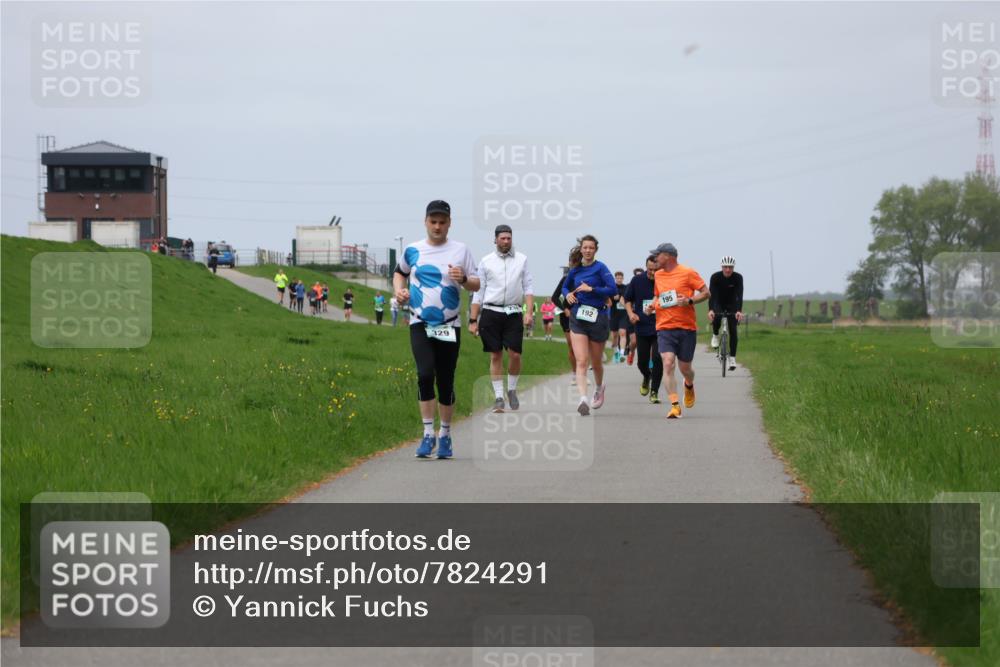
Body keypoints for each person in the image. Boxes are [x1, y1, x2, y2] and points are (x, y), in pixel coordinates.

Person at [393, 200, 480, 459]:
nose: (438, 226)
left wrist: (464, 279)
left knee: (445, 380)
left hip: (449, 325)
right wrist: (399, 291)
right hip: (420, 322)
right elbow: (399, 273)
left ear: (449, 223)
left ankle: (445, 435)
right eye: (433, 222)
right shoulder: (413, 250)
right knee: (424, 374)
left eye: (442, 222)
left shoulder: (461, 250)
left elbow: (477, 284)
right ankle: (428, 433)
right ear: (425, 222)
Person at [469, 224, 534, 413]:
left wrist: (528, 312)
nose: (506, 241)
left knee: (515, 354)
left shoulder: (522, 259)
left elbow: (528, 287)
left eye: (509, 238)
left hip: (513, 313)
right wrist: (473, 320)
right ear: (495, 240)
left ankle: (511, 389)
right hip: (491, 312)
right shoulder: (486, 261)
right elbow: (478, 292)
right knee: (495, 354)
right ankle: (498, 397)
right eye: (502, 238)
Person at [643, 243, 710, 419]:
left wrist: (689, 301)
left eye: (657, 255)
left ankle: (689, 384)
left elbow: (706, 293)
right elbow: (658, 295)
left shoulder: (688, 272)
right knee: (667, 363)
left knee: (685, 368)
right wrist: (652, 306)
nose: (655, 258)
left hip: (686, 328)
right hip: (664, 327)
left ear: (668, 256)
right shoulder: (658, 275)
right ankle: (674, 405)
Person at [562, 235, 616, 416]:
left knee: (596, 361)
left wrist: (592, 289)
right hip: (578, 317)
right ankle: (583, 399)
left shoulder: (601, 268)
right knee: (582, 360)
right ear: (581, 249)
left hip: (598, 317)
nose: (587, 250)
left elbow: (612, 289)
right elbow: (565, 287)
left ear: (595, 250)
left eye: (591, 248)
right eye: (585, 247)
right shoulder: (575, 270)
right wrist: (568, 294)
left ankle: (599, 388)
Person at [624, 255, 664, 403]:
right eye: (649, 270)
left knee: (658, 359)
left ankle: (654, 392)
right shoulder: (637, 280)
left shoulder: (665, 280)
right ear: (646, 267)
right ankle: (647, 376)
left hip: (661, 326)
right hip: (642, 326)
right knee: (642, 362)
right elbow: (627, 300)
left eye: (655, 270)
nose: (652, 273)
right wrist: (631, 314)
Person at [552, 247, 584, 385]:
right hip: (567, 316)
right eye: (572, 262)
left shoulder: (586, 278)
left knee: (582, 346)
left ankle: (582, 374)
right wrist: (564, 308)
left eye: (576, 262)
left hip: (582, 314)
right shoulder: (565, 279)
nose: (573, 264)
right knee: (572, 346)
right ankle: (574, 374)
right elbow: (554, 297)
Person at [709, 256, 744, 371]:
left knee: (733, 330)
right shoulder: (715, 277)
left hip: (732, 304)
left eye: (730, 267)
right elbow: (711, 295)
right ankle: (715, 335)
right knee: (716, 317)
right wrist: (711, 310)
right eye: (725, 267)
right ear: (722, 267)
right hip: (719, 302)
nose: (728, 270)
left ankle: (732, 358)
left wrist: (739, 311)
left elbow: (739, 295)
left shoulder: (738, 277)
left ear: (733, 267)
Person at [610, 271, 629, 363]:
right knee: (614, 336)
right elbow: (607, 299)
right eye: (617, 278)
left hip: (623, 314)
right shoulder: (612, 288)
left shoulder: (626, 288)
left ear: (623, 279)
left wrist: (622, 299)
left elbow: (627, 298)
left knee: (622, 333)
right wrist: (613, 298)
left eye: (620, 278)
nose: (619, 280)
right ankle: (616, 352)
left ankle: (621, 353)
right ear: (615, 279)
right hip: (614, 314)